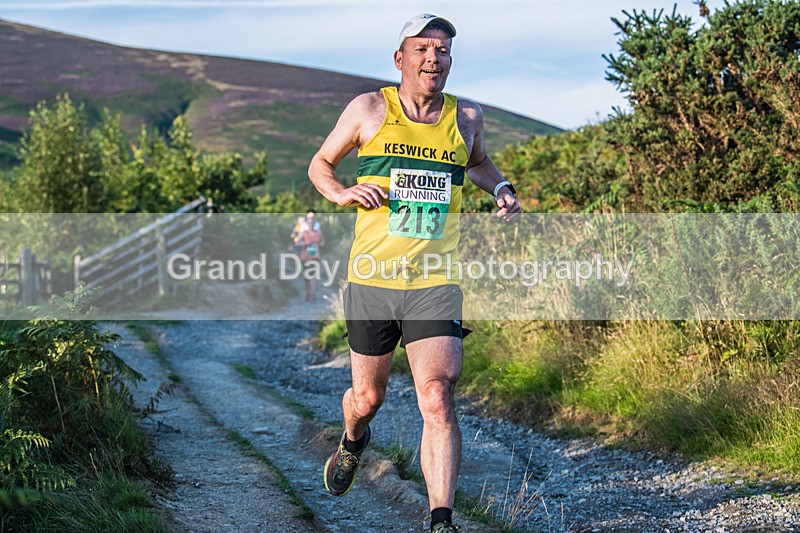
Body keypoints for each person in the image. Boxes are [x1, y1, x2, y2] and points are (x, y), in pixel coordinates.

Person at [307, 13, 521, 532]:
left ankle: (441, 520)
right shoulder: (369, 109)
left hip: (434, 279)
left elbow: (476, 161)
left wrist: (499, 188)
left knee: (438, 394)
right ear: (400, 58)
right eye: (423, 49)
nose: (434, 58)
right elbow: (321, 164)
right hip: (373, 279)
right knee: (367, 399)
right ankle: (354, 440)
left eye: (443, 50)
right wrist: (342, 191)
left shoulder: (465, 116)